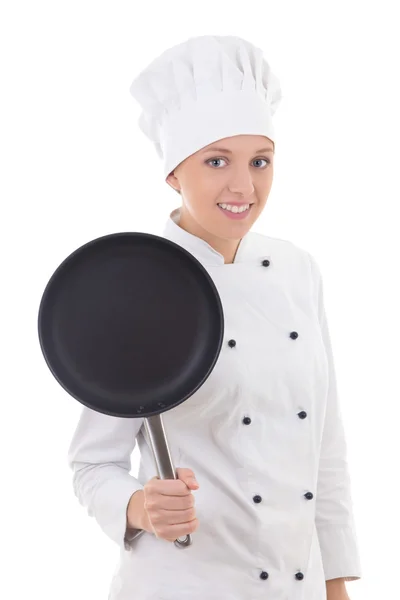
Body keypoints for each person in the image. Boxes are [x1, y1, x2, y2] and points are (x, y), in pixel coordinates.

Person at [67, 35, 362, 599]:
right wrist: (139, 506)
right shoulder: (136, 285)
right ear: (174, 173)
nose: (243, 187)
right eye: (216, 161)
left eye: (260, 161)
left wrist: (336, 580)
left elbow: (325, 445)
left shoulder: (299, 270)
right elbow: (92, 464)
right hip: (184, 584)